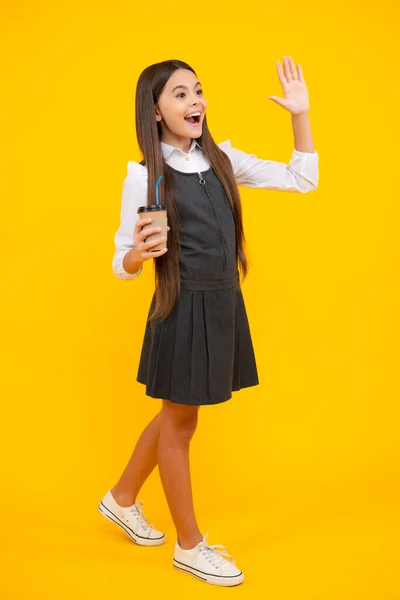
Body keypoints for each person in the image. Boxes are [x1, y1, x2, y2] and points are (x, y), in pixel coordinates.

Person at [98, 57, 319, 587]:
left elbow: (302, 179)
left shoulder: (221, 159)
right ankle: (190, 545)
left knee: (175, 413)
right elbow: (120, 261)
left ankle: (121, 498)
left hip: (221, 305)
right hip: (182, 307)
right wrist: (140, 256)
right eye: (179, 94)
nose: (194, 101)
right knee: (182, 422)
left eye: (198, 91)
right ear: (155, 111)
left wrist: (300, 116)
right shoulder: (145, 175)